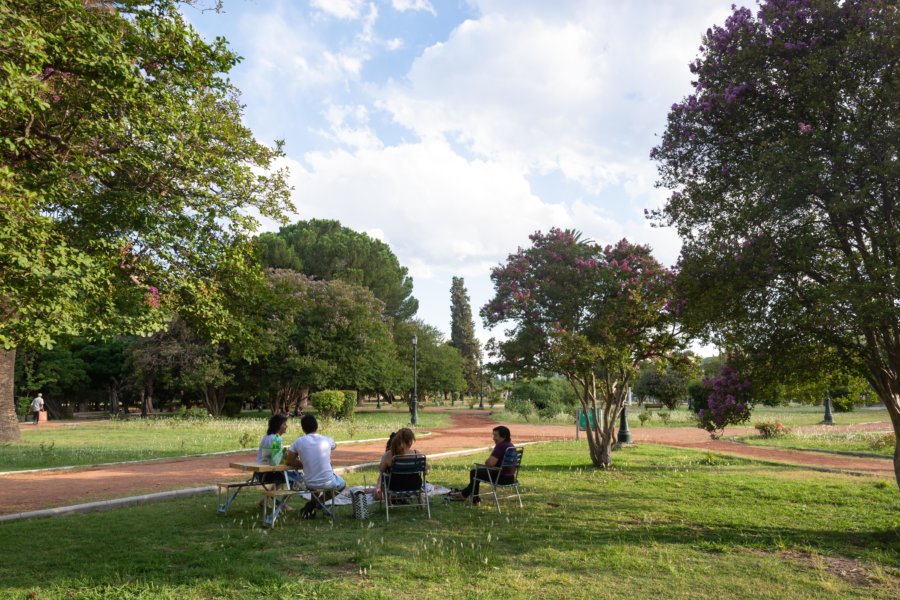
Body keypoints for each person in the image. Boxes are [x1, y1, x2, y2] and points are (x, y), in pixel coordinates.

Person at [286, 414, 345, 518]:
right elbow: (334, 446)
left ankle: (314, 505)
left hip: (309, 483)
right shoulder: (326, 439)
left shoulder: (298, 442)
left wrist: (305, 463)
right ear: (317, 426)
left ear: (303, 428)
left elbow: (289, 460)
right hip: (328, 482)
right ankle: (319, 503)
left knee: (314, 483)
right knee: (342, 484)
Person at [450, 426, 515, 505]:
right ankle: (465, 494)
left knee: (474, 472)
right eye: (493, 435)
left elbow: (490, 463)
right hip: (511, 478)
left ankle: (473, 498)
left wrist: (487, 462)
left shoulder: (500, 446)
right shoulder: (510, 445)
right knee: (477, 473)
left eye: (495, 435)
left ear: (503, 436)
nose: (493, 438)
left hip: (500, 478)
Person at [373, 428, 425, 501]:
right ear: (410, 442)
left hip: (394, 486)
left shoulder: (388, 455)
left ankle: (389, 502)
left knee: (385, 474)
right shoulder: (418, 454)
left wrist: (378, 486)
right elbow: (426, 469)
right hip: (415, 485)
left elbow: (381, 471)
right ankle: (419, 497)